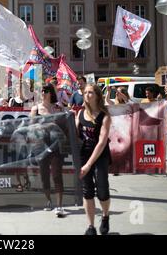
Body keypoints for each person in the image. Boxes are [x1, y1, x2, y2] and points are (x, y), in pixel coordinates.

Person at [75, 83, 112, 235]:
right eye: (85, 93)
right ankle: (91, 226)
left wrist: (89, 164)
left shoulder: (105, 116)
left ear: (97, 96)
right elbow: (76, 136)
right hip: (84, 154)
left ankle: (105, 216)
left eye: (91, 92)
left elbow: (102, 142)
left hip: (100, 155)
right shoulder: (80, 113)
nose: (87, 95)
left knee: (102, 190)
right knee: (87, 191)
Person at [30, 83, 64, 217]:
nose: (43, 93)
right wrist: (43, 126)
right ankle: (49, 201)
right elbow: (31, 127)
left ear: (51, 93)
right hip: (41, 144)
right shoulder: (35, 108)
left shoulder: (57, 107)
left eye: (45, 91)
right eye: (41, 91)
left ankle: (60, 206)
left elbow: (65, 123)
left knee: (57, 174)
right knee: (44, 175)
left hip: (56, 144)